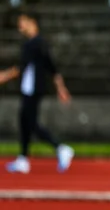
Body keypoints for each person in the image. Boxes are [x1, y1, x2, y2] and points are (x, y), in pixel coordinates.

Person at [0, 10, 74, 173]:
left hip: (33, 89)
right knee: (24, 121)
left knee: (31, 123)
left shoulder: (33, 44)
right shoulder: (39, 43)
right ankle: (23, 158)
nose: (20, 26)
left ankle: (60, 148)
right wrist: (60, 88)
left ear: (32, 22)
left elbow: (21, 68)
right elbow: (51, 67)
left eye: (23, 21)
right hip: (30, 89)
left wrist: (3, 76)